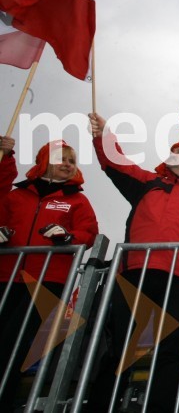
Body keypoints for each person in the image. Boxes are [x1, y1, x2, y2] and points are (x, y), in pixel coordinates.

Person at [88, 113, 179, 412]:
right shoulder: (147, 182)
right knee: (120, 347)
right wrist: (103, 136)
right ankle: (101, 406)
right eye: (174, 149)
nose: (175, 153)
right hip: (133, 274)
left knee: (171, 349)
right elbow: (116, 163)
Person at [0, 139, 98, 409]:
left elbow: (88, 234)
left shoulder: (76, 200)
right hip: (6, 276)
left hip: (47, 280)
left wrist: (68, 236)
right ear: (44, 161)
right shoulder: (16, 195)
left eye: (71, 161)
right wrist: (6, 156)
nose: (67, 165)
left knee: (14, 341)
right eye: (61, 159)